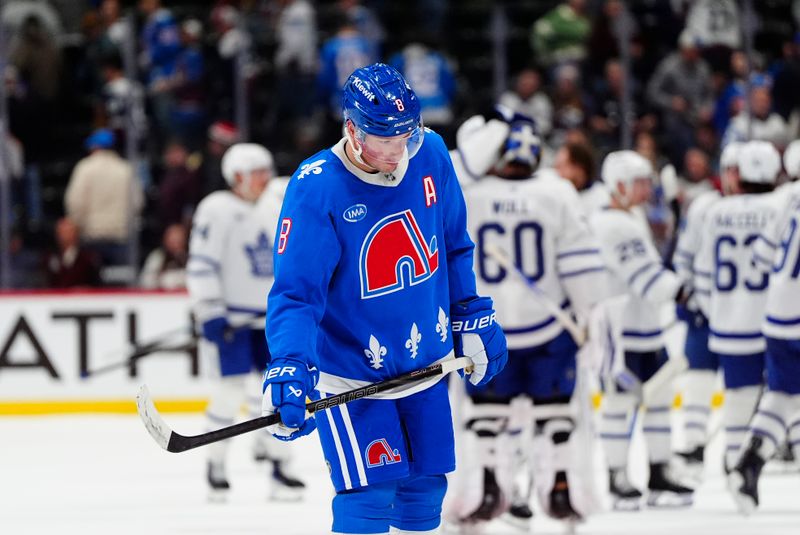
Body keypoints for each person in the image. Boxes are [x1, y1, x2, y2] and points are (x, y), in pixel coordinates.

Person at [262, 63, 508, 535]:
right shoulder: (316, 186)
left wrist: (471, 314)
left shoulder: (430, 152)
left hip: (426, 365)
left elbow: (454, 245)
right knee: (369, 500)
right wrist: (290, 363)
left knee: (424, 496)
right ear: (352, 130)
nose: (397, 154)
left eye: (405, 138)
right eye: (384, 142)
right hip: (352, 374)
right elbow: (297, 293)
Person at [446, 110, 608, 531]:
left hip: (487, 332)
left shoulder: (468, 193)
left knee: (485, 420)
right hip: (548, 330)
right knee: (556, 418)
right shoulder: (557, 191)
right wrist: (589, 317)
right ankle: (562, 488)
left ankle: (485, 488)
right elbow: (581, 267)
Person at [186, 142, 305, 501]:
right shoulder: (216, 209)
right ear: (236, 176)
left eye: (267, 172)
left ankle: (279, 464)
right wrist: (209, 310)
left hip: (270, 320)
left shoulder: (274, 205)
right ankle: (216, 463)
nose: (264, 179)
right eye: (257, 173)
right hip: (233, 321)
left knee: (278, 390)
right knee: (231, 390)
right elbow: (202, 263)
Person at [590, 150, 694, 509]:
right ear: (619, 185)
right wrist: (684, 292)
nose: (647, 189)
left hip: (646, 328)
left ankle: (659, 470)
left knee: (660, 401)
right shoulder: (613, 224)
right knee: (619, 405)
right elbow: (646, 277)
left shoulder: (629, 217)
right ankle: (617, 476)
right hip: (622, 334)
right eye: (640, 182)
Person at [693, 141, 783, 475]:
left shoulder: (717, 211)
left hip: (730, 324)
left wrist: (717, 313)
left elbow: (703, 273)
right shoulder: (781, 207)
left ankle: (734, 464)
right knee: (788, 394)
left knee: (738, 398)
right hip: (775, 322)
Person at [728, 142, 800, 513]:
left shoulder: (787, 198)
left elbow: (763, 257)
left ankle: (750, 462)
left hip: (778, 315)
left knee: (783, 394)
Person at [670, 141, 742, 484]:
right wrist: (688, 297)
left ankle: (737, 451)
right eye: (731, 170)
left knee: (743, 387)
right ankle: (694, 443)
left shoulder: (764, 207)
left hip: (742, 313)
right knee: (698, 378)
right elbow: (684, 256)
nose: (734, 177)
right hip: (705, 310)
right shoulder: (703, 206)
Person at [44, 217, 101, 288]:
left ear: (76, 233)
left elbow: (96, 284)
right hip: (55, 294)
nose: (64, 236)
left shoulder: (87, 258)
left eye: (68, 232)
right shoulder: (49, 257)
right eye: (61, 232)